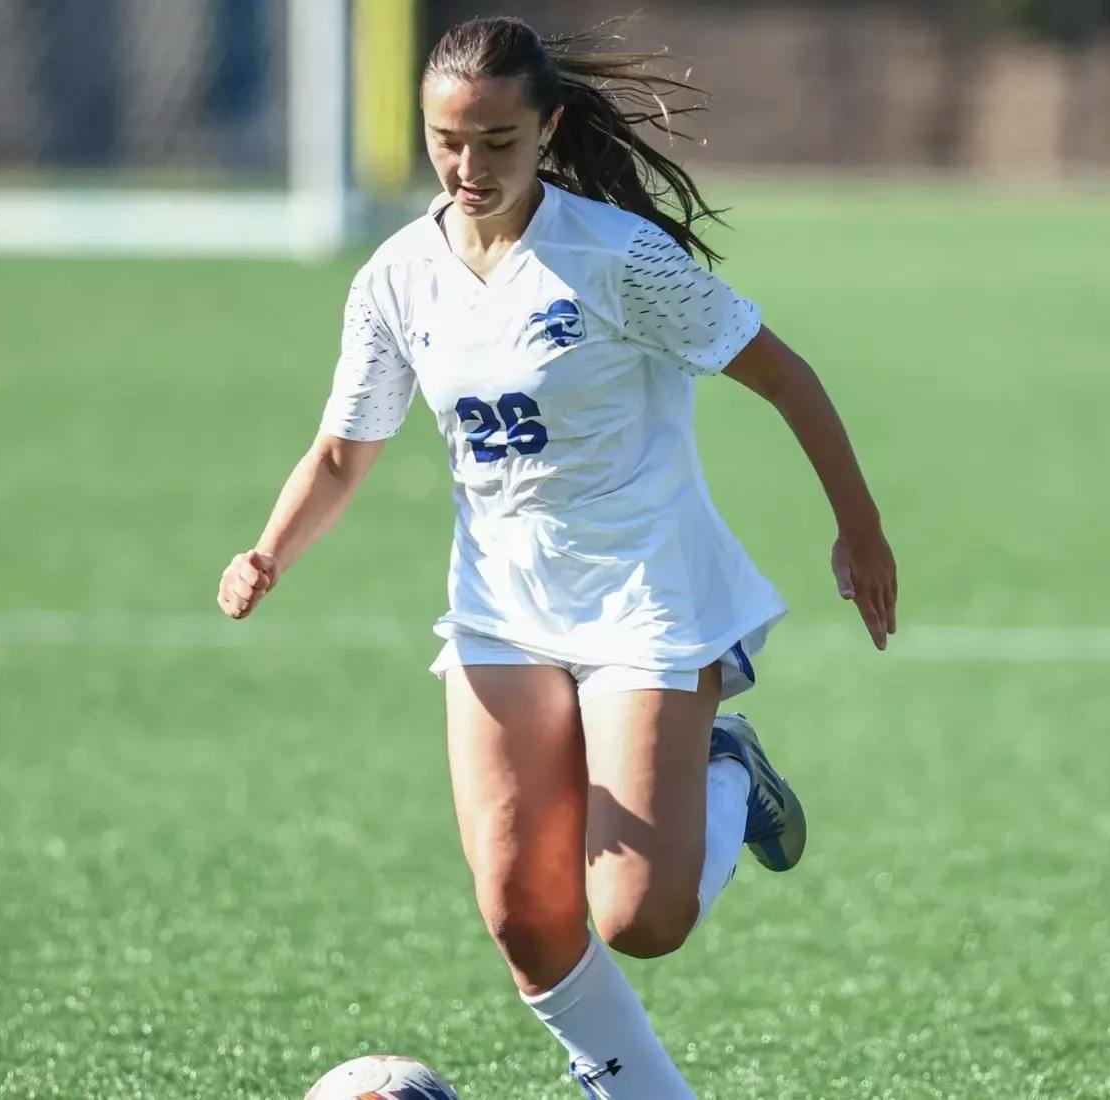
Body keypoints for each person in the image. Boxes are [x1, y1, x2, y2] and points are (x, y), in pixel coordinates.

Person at [218, 16, 897, 1098]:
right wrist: (268, 551)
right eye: (449, 140)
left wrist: (858, 528)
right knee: (524, 915)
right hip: (499, 605)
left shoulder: (619, 258)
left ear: (549, 131)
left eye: (498, 139)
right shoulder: (398, 277)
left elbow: (786, 377)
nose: (469, 165)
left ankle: (731, 768)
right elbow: (345, 450)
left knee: (640, 918)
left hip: (642, 596)